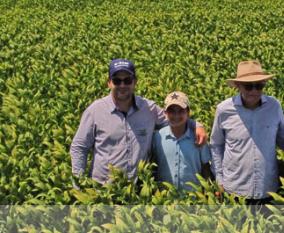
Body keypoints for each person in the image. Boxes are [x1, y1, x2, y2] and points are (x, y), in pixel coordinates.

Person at [70, 59, 207, 184]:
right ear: (109, 82)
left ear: (135, 81)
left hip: (138, 190)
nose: (122, 85)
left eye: (127, 80)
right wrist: (78, 184)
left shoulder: (148, 109)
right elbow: (79, 147)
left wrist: (197, 126)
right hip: (104, 190)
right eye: (117, 81)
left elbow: (175, 119)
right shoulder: (95, 110)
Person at [210, 61, 284, 204]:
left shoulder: (274, 106)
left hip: (268, 188)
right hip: (235, 189)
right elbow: (216, 145)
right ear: (238, 85)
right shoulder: (223, 110)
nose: (254, 91)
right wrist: (219, 179)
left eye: (259, 85)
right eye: (248, 86)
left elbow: (283, 141)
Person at [152, 92, 214, 192]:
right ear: (165, 113)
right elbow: (153, 168)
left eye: (181, 111)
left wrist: (211, 191)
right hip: (164, 200)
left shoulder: (198, 138)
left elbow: (205, 168)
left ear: (188, 113)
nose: (176, 115)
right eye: (172, 111)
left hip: (193, 199)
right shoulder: (157, 137)